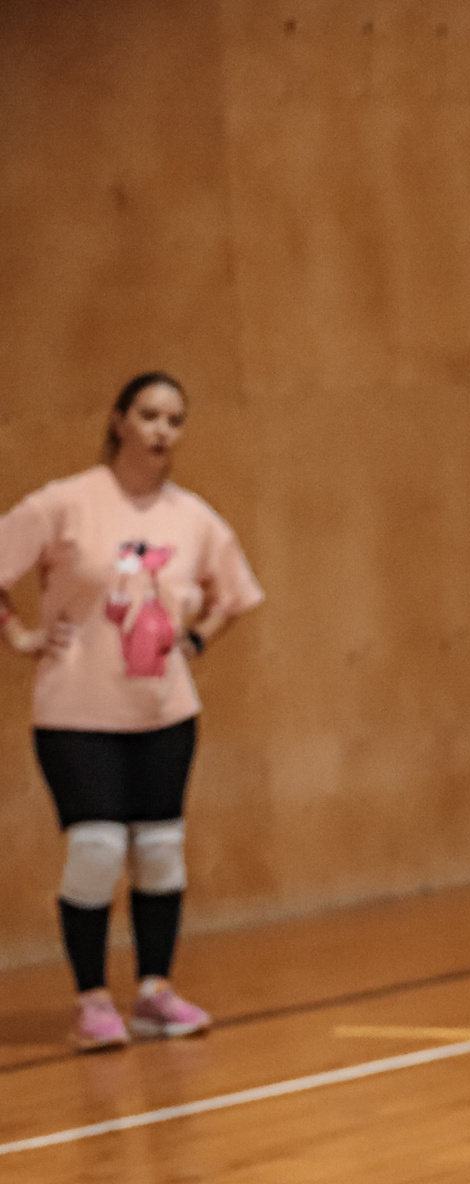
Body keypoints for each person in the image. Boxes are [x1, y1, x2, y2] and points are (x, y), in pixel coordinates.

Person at [0, 373, 264, 1050]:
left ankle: (154, 991)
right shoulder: (65, 504)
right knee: (95, 848)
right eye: (148, 416)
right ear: (120, 421)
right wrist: (21, 636)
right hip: (76, 712)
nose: (161, 431)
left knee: (160, 852)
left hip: (165, 712)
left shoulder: (193, 517)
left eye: (174, 420)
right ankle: (92, 999)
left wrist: (198, 637)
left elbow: (233, 594)